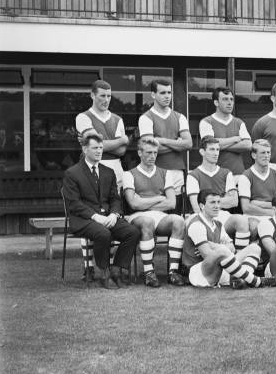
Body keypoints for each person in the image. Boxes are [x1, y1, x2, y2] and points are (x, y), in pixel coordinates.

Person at [62, 133, 140, 288]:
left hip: (107, 216)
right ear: (85, 149)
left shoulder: (108, 172)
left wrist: (114, 214)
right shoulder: (72, 173)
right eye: (94, 148)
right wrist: (95, 216)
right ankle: (102, 272)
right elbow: (74, 204)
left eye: (100, 148)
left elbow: (115, 199)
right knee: (103, 233)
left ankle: (116, 270)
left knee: (133, 232)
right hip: (83, 219)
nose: (99, 151)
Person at [182, 190, 276, 289]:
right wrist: (221, 249)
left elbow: (232, 248)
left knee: (255, 248)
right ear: (202, 206)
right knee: (223, 251)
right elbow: (207, 255)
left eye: (218, 202)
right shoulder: (197, 225)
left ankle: (242, 280)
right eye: (212, 202)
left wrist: (215, 246)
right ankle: (256, 281)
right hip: (199, 273)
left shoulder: (217, 224)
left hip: (221, 268)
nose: (217, 206)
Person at [122, 138, 186, 288]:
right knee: (147, 222)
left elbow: (171, 203)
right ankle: (149, 272)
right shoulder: (129, 174)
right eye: (148, 152)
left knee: (179, 221)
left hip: (160, 216)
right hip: (137, 217)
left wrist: (143, 203)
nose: (152, 156)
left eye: (155, 153)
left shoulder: (165, 173)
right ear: (139, 153)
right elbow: (133, 204)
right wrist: (158, 198)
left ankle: (173, 272)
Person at [186, 136, 251, 251]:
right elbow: (197, 207)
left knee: (242, 220)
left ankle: (240, 259)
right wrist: (224, 199)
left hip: (223, 216)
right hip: (202, 218)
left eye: (217, 150)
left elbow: (234, 202)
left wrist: (210, 202)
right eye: (212, 149)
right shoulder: (193, 175)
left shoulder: (226, 173)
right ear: (202, 152)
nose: (216, 153)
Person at [138, 79, 192, 192]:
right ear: (153, 94)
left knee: (177, 207)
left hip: (177, 171)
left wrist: (162, 141)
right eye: (162, 93)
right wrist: (177, 144)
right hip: (154, 171)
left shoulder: (180, 117)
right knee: (158, 206)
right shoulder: (146, 118)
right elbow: (148, 148)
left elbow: (188, 144)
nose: (167, 96)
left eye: (169, 92)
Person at [75, 79, 128, 188]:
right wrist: (123, 140)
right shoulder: (83, 117)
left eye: (109, 96)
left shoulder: (118, 119)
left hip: (116, 176)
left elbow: (122, 151)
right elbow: (96, 145)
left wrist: (100, 143)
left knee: (116, 205)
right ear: (92, 95)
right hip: (91, 175)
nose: (106, 100)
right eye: (102, 96)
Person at [199, 86, 251, 177]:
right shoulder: (206, 122)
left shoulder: (239, 122)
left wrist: (219, 144)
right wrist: (234, 139)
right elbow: (209, 145)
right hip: (214, 175)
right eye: (225, 99)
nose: (230, 103)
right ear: (216, 102)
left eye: (231, 99)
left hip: (238, 175)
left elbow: (248, 145)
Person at [238, 139, 276, 220]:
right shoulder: (246, 176)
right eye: (263, 152)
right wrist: (271, 212)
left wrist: (258, 203)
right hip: (254, 217)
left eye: (268, 152)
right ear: (254, 155)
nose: (266, 156)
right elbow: (246, 208)